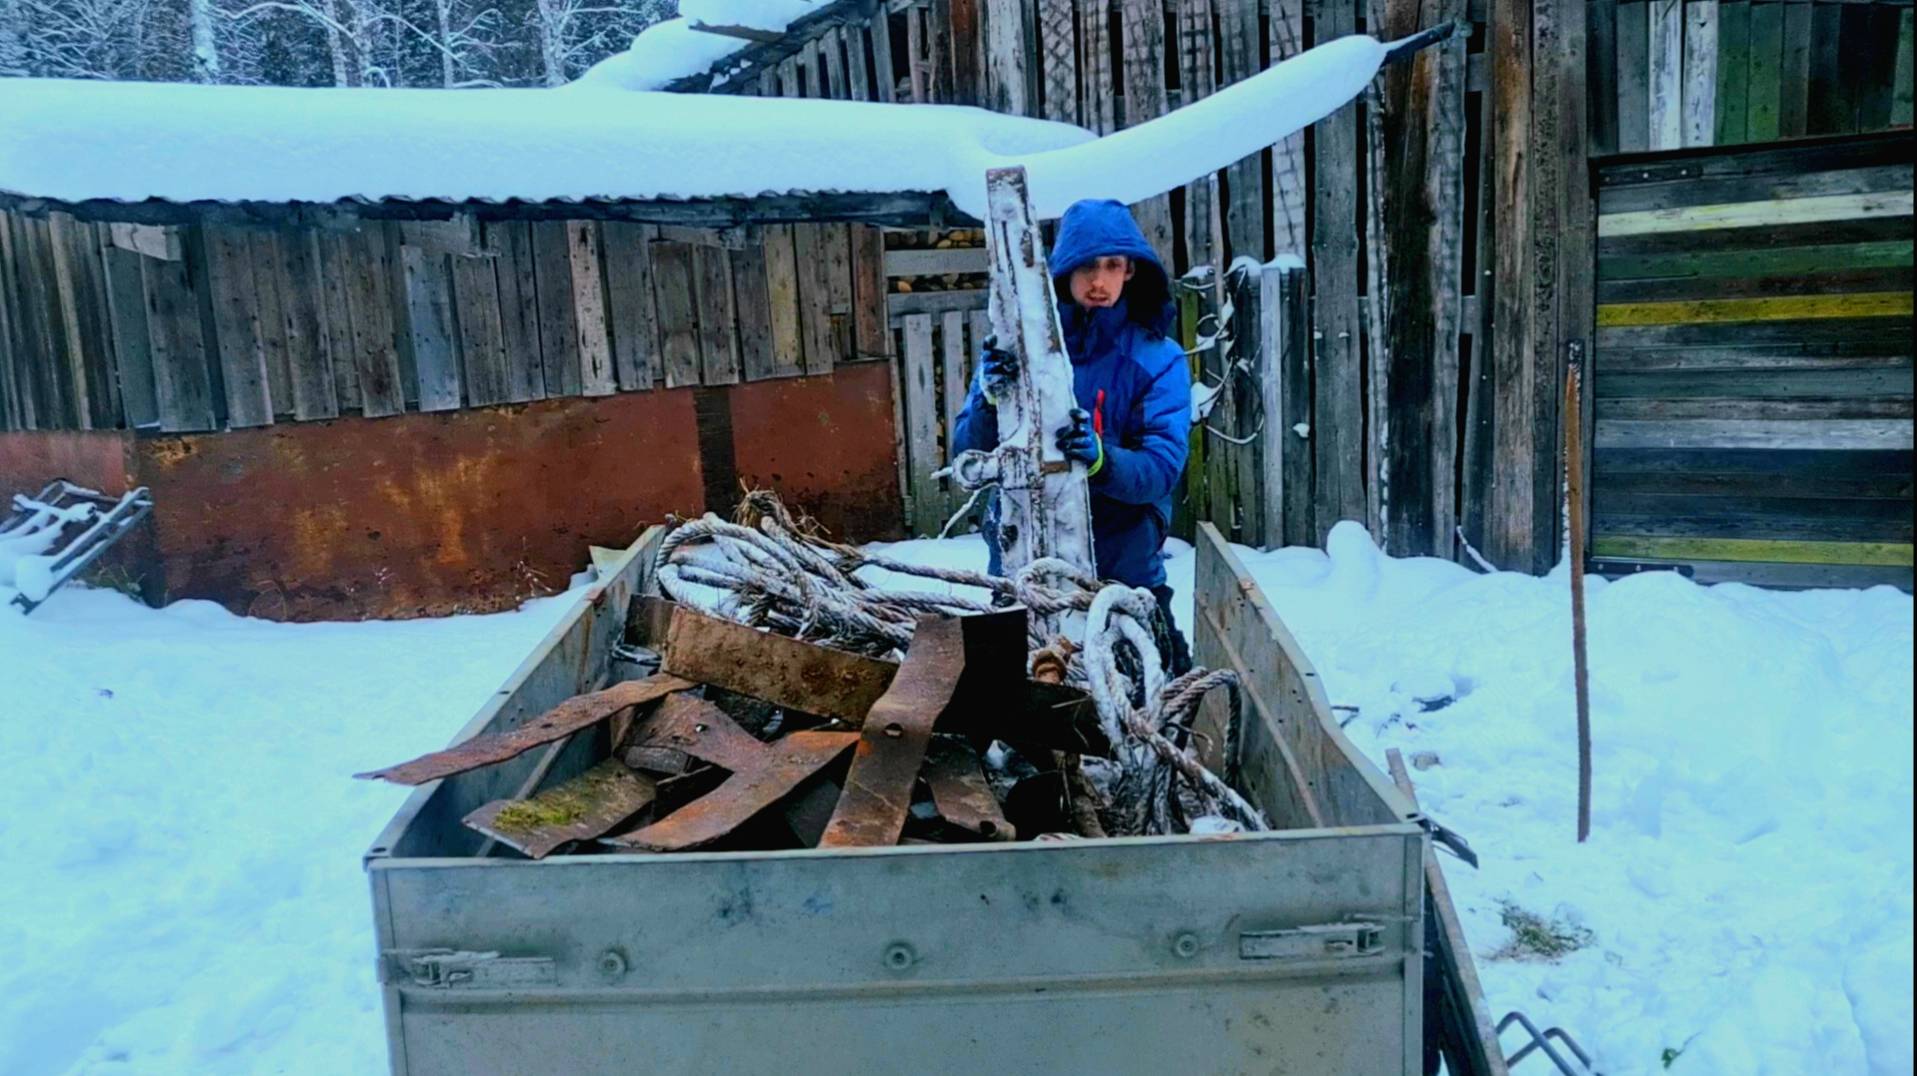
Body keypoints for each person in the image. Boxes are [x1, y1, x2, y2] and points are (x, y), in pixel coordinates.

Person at [951, 198, 1194, 674]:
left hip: (1121, 566)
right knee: (1012, 696)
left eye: (1112, 265)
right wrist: (992, 398)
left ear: (1131, 271)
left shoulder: (1158, 359)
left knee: (1145, 689)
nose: (1098, 281)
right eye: (1086, 266)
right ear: (1063, 272)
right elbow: (967, 450)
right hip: (1025, 563)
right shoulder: (1017, 350)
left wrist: (1104, 461)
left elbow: (1161, 468)